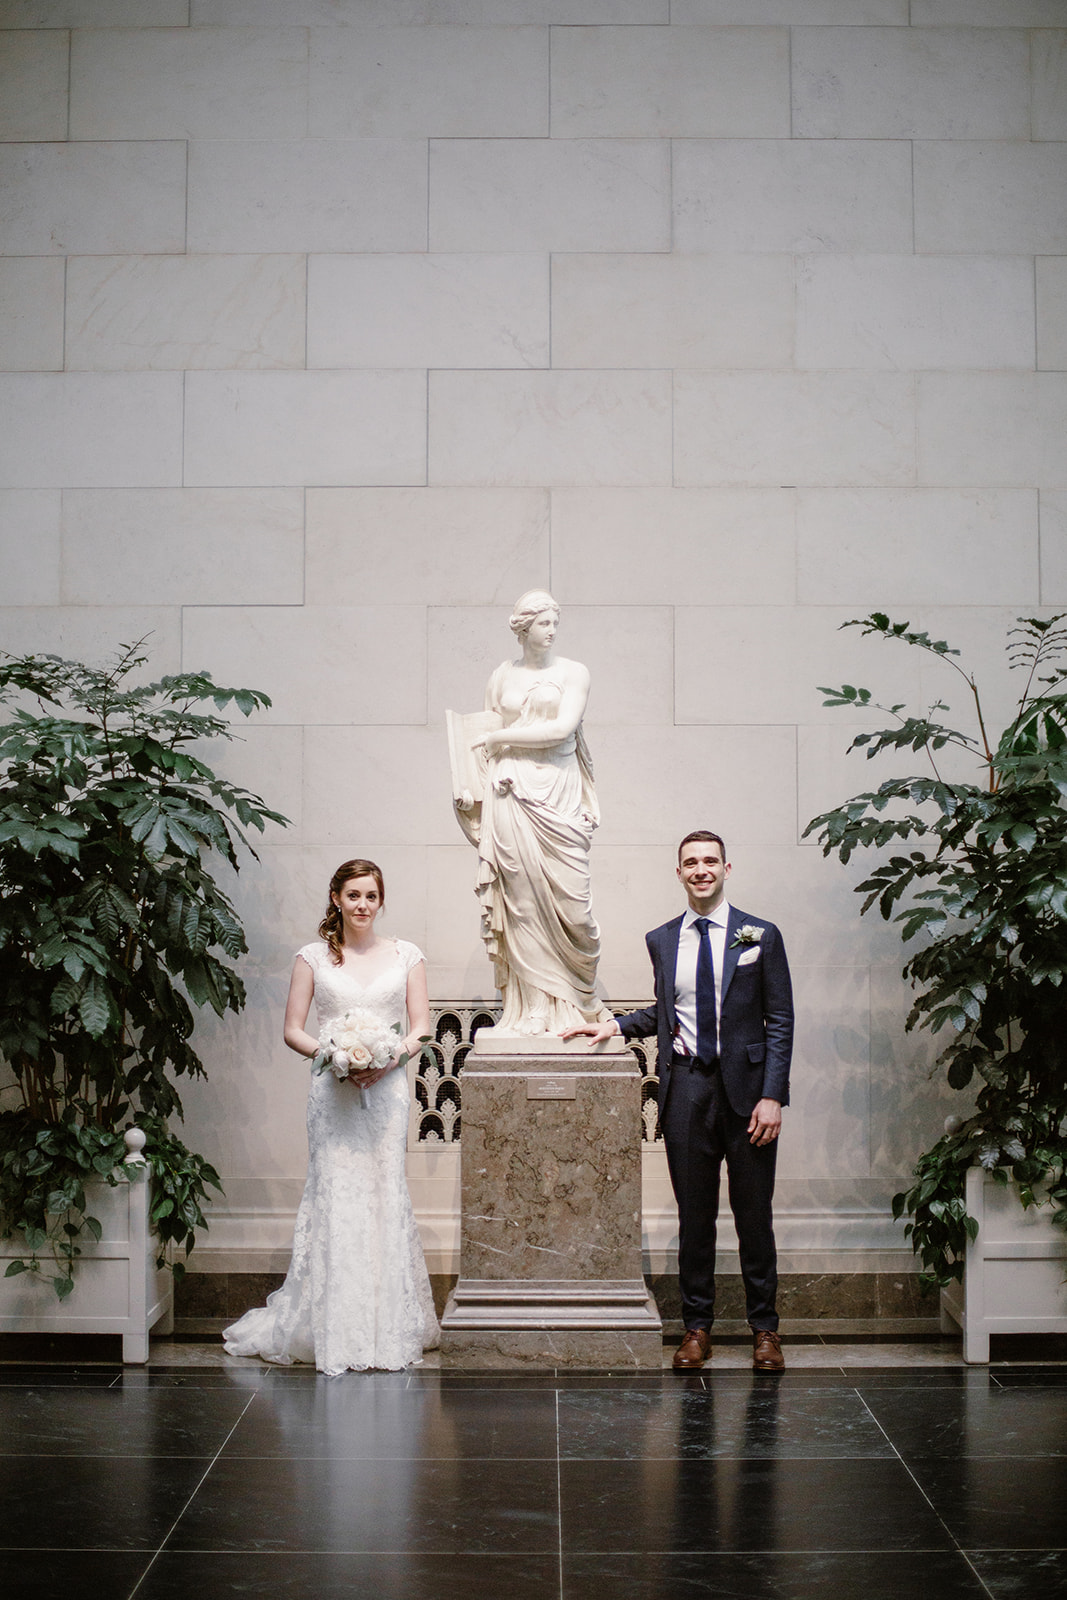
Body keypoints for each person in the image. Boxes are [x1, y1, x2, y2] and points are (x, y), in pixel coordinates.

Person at [564, 831, 793, 1372]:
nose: (701, 870)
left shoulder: (760, 935)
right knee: (695, 1217)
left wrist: (772, 1096)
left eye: (709, 861)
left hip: (748, 1095)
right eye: (691, 862)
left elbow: (779, 1020)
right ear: (679, 873)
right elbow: (667, 1014)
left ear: (726, 867)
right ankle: (696, 1329)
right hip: (686, 1088)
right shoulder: (662, 939)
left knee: (753, 1214)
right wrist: (612, 1026)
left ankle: (765, 1331)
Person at [223, 859, 439, 1375]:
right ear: (336, 898)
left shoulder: (406, 955)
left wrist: (388, 1059)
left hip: (387, 1096)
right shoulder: (312, 957)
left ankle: (387, 1326)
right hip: (332, 1093)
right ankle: (331, 1327)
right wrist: (335, 1056)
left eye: (371, 895)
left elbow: (422, 1025)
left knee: (385, 1194)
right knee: (335, 1195)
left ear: (380, 901)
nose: (363, 904)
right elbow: (293, 1029)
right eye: (354, 895)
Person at [454, 590, 614, 1037]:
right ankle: (534, 1010)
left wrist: (499, 739)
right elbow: (479, 734)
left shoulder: (574, 672)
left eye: (555, 623)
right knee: (521, 903)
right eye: (544, 623)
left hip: (557, 792)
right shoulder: (501, 674)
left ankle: (579, 1001)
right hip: (508, 792)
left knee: (574, 908)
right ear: (524, 628)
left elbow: (562, 728)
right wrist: (469, 788)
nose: (552, 630)